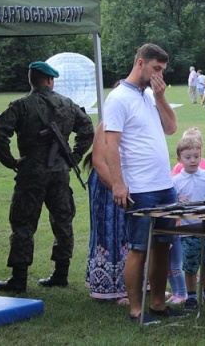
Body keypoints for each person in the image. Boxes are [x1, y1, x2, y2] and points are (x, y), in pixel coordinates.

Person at [0, 61, 94, 294]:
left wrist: (11, 161)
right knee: (63, 221)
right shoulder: (67, 104)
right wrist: (74, 156)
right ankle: (61, 273)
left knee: (23, 223)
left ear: (31, 80)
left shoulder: (21, 105)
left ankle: (19, 278)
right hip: (59, 173)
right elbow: (87, 129)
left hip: (31, 173)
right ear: (49, 80)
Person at [103, 43, 184, 324]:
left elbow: (171, 128)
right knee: (139, 248)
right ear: (140, 63)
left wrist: (160, 97)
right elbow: (110, 145)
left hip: (164, 185)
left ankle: (158, 304)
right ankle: (136, 310)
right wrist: (118, 183)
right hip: (139, 188)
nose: (159, 75)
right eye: (156, 68)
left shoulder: (150, 95)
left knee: (163, 246)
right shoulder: (118, 98)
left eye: (162, 70)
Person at [172, 137, 205, 310]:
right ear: (179, 159)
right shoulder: (176, 181)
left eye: (196, 156)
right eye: (188, 157)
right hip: (188, 230)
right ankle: (192, 296)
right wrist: (178, 200)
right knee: (190, 265)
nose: (193, 160)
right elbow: (173, 205)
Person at [84, 121, 128, 303]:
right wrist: (116, 186)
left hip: (130, 180)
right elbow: (99, 161)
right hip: (108, 184)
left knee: (130, 233)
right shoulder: (108, 123)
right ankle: (111, 288)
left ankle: (138, 285)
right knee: (110, 233)